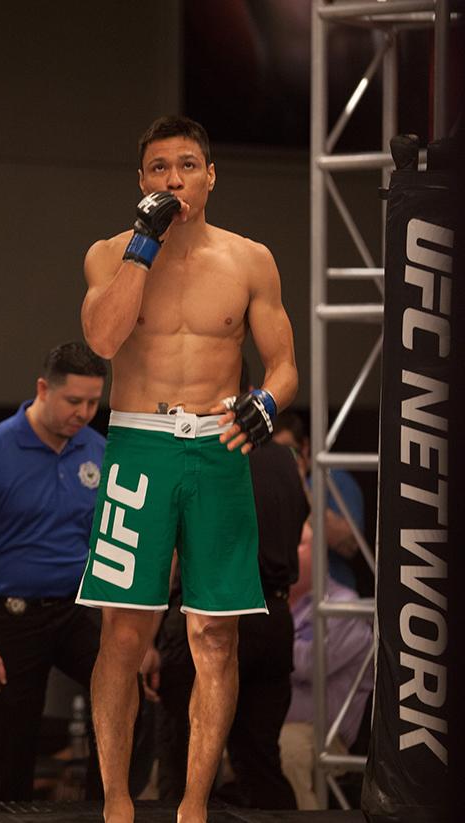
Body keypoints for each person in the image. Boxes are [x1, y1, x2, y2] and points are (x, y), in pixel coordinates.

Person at [75, 114, 298, 823]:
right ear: (142, 180)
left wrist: (268, 399)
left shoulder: (250, 259)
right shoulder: (109, 253)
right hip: (139, 444)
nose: (175, 178)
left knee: (215, 632)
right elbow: (104, 338)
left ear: (210, 173)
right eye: (159, 167)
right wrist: (144, 242)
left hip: (218, 446)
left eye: (187, 164)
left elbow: (286, 366)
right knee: (123, 633)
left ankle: (194, 804)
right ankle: (116, 802)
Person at [0, 342, 107, 810]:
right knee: (12, 743)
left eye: (94, 402)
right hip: (10, 616)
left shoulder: (97, 449)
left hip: (78, 609)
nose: (84, 412)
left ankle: (110, 810)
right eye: (73, 401)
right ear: (43, 389)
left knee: (122, 696)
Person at [154, 431, 310, 810]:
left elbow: (170, 543)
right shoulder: (284, 459)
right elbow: (300, 521)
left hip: (208, 612)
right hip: (272, 617)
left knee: (184, 763)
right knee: (260, 764)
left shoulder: (198, 451)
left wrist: (147, 636)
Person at [279, 529, 374, 810]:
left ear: (320, 554)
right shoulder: (272, 601)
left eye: (300, 543)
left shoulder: (343, 607)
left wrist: (264, 642)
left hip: (321, 736)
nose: (288, 549)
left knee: (287, 753)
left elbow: (310, 665)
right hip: (265, 721)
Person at [273, 410, 365, 591]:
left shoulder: (332, 480)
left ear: (304, 448)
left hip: (331, 596)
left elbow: (350, 545)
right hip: (285, 595)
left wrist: (300, 488)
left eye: (287, 452)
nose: (280, 461)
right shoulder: (263, 484)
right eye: (273, 454)